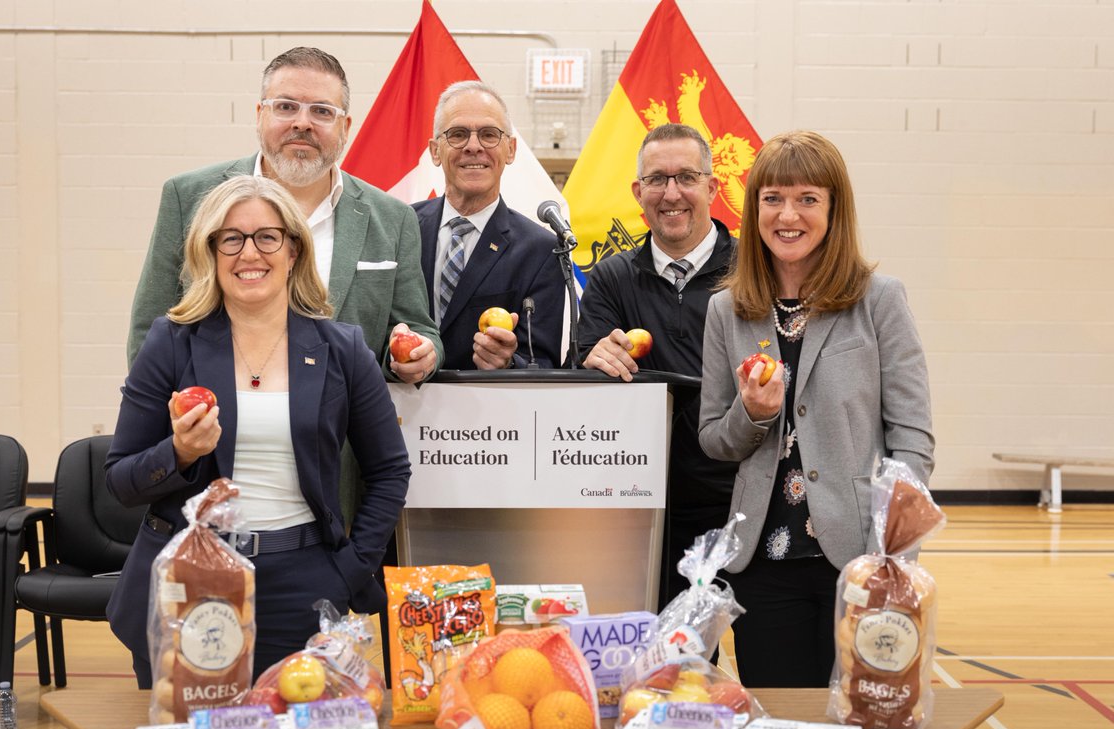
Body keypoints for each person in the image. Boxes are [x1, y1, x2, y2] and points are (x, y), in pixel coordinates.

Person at [106, 175, 411, 686]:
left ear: (293, 249)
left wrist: (351, 568)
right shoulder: (171, 343)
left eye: (267, 236)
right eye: (232, 238)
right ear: (212, 253)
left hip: (305, 581)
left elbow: (389, 470)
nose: (250, 252)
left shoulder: (342, 349)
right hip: (192, 578)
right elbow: (119, 480)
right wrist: (180, 453)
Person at [697, 130, 934, 688]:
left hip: (857, 556)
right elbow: (713, 439)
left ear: (835, 209)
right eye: (773, 198)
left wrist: (893, 554)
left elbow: (913, 440)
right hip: (760, 560)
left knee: (856, 720)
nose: (788, 215)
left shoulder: (879, 300)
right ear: (754, 208)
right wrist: (752, 413)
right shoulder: (725, 310)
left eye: (808, 199)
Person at [126, 46, 440, 384]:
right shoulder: (188, 197)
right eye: (286, 107)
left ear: (345, 127)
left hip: (342, 433)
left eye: (321, 111)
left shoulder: (393, 218)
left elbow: (419, 328)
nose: (302, 123)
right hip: (215, 426)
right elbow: (151, 327)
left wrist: (420, 354)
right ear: (260, 114)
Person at [577, 123, 738, 610]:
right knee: (667, 662)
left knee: (768, 666)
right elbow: (585, 382)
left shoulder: (755, 270)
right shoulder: (608, 278)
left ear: (712, 187)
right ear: (638, 191)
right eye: (657, 179)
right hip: (645, 506)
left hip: (743, 503)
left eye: (686, 177)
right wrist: (594, 360)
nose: (672, 193)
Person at [412, 81, 564, 369]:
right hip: (399, 408)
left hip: (492, 411)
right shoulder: (400, 228)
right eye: (457, 134)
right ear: (434, 151)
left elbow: (543, 362)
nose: (473, 146)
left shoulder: (541, 251)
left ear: (510, 149)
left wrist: (507, 363)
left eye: (489, 135)